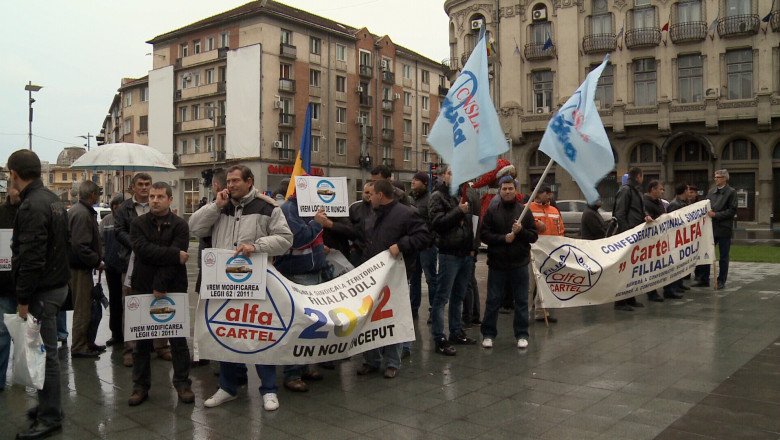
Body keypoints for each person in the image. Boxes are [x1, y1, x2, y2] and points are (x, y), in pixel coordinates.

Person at [189, 165, 293, 411]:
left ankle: (268, 389)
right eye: (229, 181)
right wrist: (215, 206)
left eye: (236, 180)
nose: (231, 185)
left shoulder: (267, 206)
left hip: (256, 283)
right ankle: (228, 387)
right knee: (226, 334)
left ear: (249, 181)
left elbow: (285, 239)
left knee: (258, 333)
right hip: (223, 283)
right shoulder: (219, 205)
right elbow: (194, 229)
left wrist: (256, 246)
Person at [8, 149, 70, 440]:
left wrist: (22, 299)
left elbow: (31, 258)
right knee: (46, 354)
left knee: (46, 356)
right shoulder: (53, 200)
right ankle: (49, 405)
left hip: (43, 291)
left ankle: (50, 416)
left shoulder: (32, 205)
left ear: (14, 174)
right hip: (56, 285)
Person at [127, 182, 194, 406]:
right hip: (141, 287)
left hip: (172, 288)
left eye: (159, 196)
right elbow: (142, 251)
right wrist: (174, 254)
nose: (154, 200)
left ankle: (183, 384)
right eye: (152, 196)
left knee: (178, 341)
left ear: (170, 200)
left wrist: (160, 284)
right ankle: (140, 387)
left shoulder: (180, 225)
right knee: (141, 343)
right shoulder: (138, 223)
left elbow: (173, 260)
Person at [357, 179, 430, 378]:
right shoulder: (373, 215)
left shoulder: (406, 213)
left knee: (391, 319)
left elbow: (424, 237)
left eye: (371, 194)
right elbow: (369, 244)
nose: (369, 198)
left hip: (395, 279)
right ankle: (371, 360)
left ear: (380, 195)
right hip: (372, 278)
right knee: (369, 320)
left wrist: (402, 244)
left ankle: (392, 362)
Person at [274, 189, 329, 392]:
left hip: (314, 273)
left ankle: (304, 366)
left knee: (311, 323)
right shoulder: (289, 210)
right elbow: (297, 239)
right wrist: (316, 223)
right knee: (297, 325)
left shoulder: (308, 208)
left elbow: (313, 236)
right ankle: (292, 373)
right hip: (298, 275)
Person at [115, 173, 171, 366]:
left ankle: (161, 345)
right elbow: (118, 230)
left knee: (160, 304)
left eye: (148, 184)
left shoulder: (158, 205)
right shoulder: (125, 208)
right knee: (131, 306)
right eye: (141, 184)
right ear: (133, 187)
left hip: (156, 263)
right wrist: (135, 244)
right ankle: (131, 349)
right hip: (131, 263)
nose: (145, 188)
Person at [480, 176, 538, 349]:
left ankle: (521, 334)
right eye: (504, 189)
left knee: (521, 300)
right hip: (497, 263)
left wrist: (521, 231)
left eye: (510, 188)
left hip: (519, 263)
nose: (507, 191)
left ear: (515, 190)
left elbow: (533, 236)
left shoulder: (524, 211)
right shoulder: (492, 211)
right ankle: (489, 334)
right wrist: (502, 239)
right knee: (493, 300)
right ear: (500, 190)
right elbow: (484, 235)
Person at [428, 165, 478, 356]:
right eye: (450, 173)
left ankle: (456, 331)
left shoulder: (464, 195)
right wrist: (458, 211)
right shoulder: (437, 197)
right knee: (442, 297)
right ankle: (439, 337)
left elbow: (471, 225)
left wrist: (473, 249)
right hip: (449, 253)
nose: (454, 176)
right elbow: (437, 224)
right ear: (443, 176)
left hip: (465, 253)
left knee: (459, 295)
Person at [67, 181, 105, 358]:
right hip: (79, 268)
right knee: (82, 308)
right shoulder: (82, 213)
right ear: (92, 195)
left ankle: (86, 343)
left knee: (86, 306)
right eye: (98, 194)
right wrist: (96, 260)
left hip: (79, 267)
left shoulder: (78, 210)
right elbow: (80, 245)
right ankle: (79, 346)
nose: (98, 197)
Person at [612, 167, 651, 311]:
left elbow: (639, 210)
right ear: (639, 176)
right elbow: (620, 213)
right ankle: (620, 301)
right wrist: (626, 234)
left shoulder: (635, 191)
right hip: (628, 235)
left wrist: (645, 216)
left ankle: (630, 297)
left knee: (632, 269)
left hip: (635, 234)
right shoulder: (626, 190)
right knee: (625, 269)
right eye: (642, 176)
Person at [693, 170, 737, 290]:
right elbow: (705, 205)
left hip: (723, 228)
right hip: (710, 228)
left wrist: (716, 215)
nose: (716, 179)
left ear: (725, 178)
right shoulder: (711, 191)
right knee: (706, 253)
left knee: (723, 256)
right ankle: (704, 279)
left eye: (718, 177)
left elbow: (732, 210)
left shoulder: (731, 192)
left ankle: (721, 280)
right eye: (715, 177)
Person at [528, 185, 562, 323]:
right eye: (536, 191)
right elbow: (522, 223)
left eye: (541, 192)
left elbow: (560, 230)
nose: (537, 194)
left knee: (545, 284)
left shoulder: (554, 211)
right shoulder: (527, 208)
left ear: (549, 195)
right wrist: (536, 224)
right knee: (529, 286)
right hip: (531, 253)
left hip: (549, 253)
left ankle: (541, 313)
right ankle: (525, 314)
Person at [407, 171, 437, 322]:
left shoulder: (430, 199)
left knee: (431, 278)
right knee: (414, 279)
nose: (413, 182)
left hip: (426, 247)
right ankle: (413, 308)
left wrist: (429, 242)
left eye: (417, 180)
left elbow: (434, 223)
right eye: (413, 179)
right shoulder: (410, 199)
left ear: (425, 183)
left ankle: (434, 309)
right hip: (414, 246)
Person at [0, 188, 20, 392]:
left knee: (25, 335)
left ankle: (22, 374)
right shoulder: (1, 213)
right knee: (2, 333)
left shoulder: (32, 211)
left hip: (27, 284)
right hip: (4, 284)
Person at [100, 195, 125, 346]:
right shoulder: (106, 221)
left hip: (126, 267)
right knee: (115, 302)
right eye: (115, 205)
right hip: (111, 267)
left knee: (127, 302)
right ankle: (116, 333)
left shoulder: (128, 219)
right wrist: (104, 256)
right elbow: (100, 240)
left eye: (120, 204)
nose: (118, 207)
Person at [662, 183, 689, 300]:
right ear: (684, 191)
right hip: (675, 238)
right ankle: (673, 287)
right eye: (688, 189)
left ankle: (679, 283)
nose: (689, 191)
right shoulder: (674, 204)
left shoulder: (683, 203)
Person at [642, 180, 666, 302]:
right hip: (650, 241)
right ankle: (651, 292)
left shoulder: (659, 202)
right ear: (653, 190)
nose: (662, 192)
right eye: (660, 189)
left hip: (659, 239)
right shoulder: (646, 203)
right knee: (651, 267)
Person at [347, 182, 374, 266]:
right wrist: (351, 246)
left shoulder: (382, 208)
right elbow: (347, 228)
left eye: (371, 193)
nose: (369, 195)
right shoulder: (354, 207)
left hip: (375, 252)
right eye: (366, 193)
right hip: (357, 250)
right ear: (362, 193)